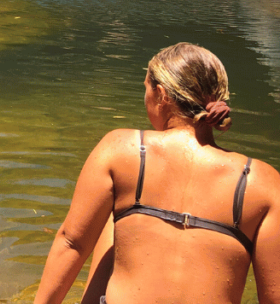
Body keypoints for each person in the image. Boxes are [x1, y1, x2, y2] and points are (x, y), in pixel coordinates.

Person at [35, 42, 279, 304]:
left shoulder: (122, 149)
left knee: (111, 215)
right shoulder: (262, 182)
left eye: (146, 89)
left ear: (161, 94)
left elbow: (71, 243)